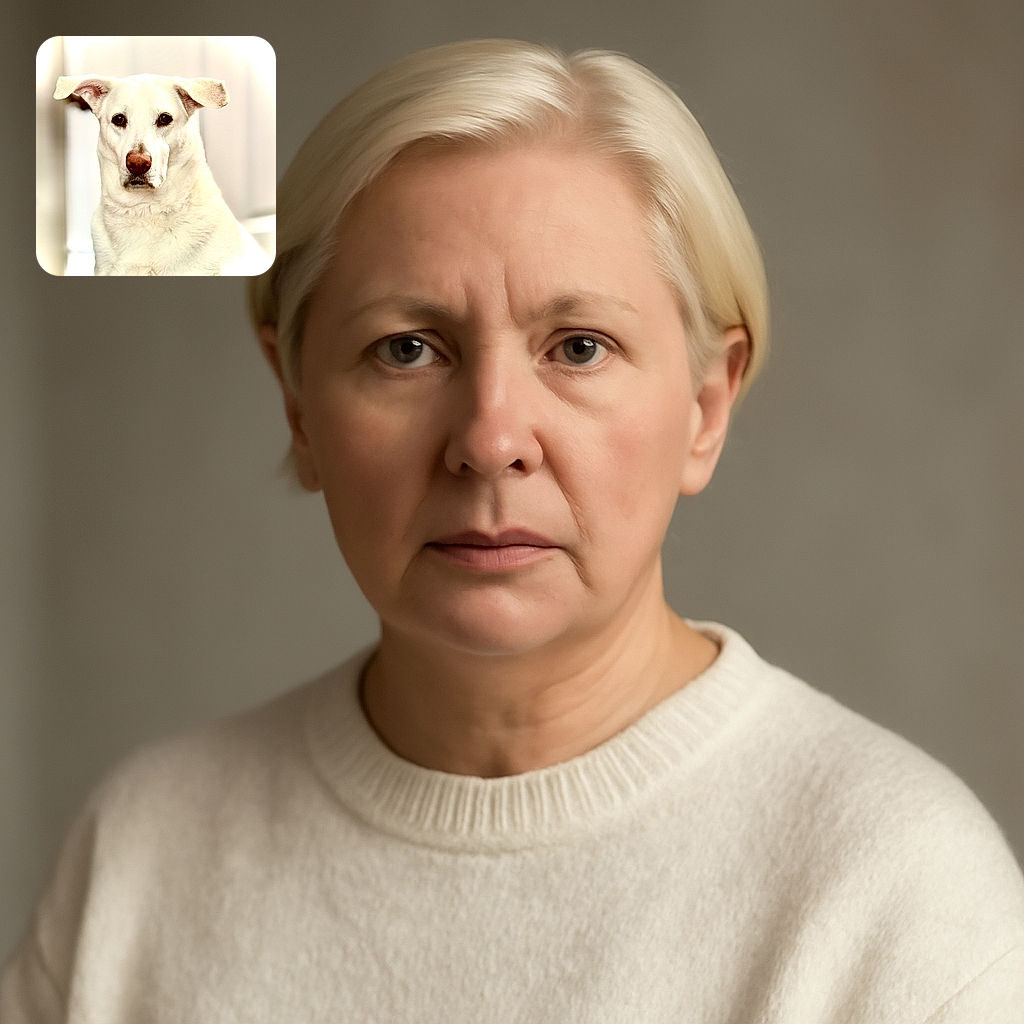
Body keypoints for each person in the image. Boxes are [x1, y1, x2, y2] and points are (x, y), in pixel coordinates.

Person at [3, 38, 1022, 1023]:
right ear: (299, 410)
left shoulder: (898, 895)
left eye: (578, 346)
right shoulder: (141, 859)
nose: (489, 440)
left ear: (705, 407)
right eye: (406, 349)